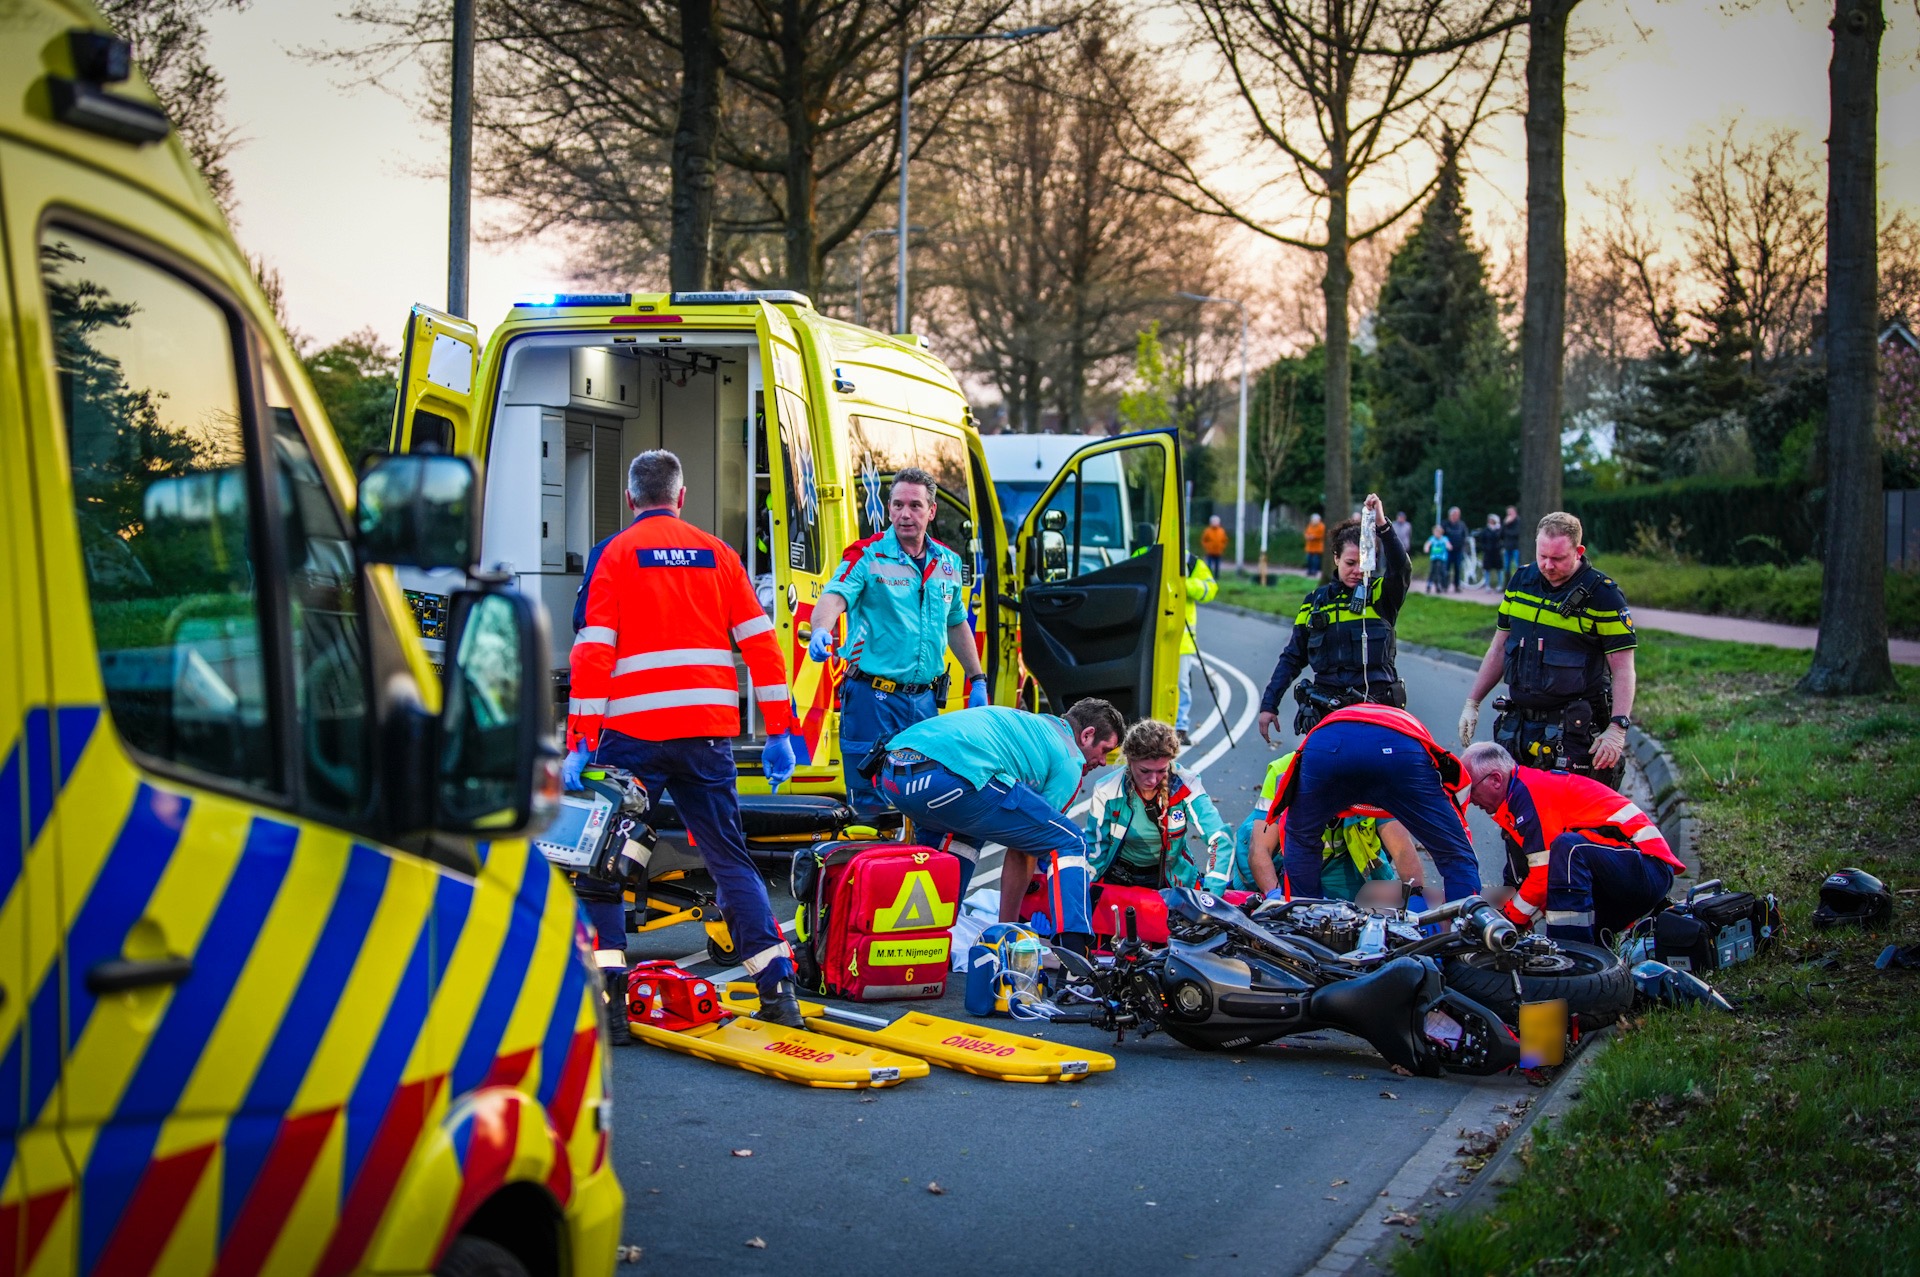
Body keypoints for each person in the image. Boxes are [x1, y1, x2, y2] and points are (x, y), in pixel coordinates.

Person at [565, 450, 812, 1028]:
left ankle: (613, 1006)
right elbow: (763, 648)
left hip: (632, 737)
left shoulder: (616, 554)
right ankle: (778, 993)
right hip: (706, 736)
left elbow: (593, 650)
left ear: (631, 500)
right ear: (681, 497)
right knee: (730, 861)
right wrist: (779, 734)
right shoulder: (718, 554)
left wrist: (580, 741)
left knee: (602, 864)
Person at [876, 699, 1125, 956]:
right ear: (1087, 735)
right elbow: (1027, 846)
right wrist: (1010, 931)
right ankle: (1071, 952)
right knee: (1070, 841)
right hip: (946, 779)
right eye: (1105, 750)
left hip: (895, 773)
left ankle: (922, 940)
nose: (1104, 762)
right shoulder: (1069, 759)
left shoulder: (1035, 724)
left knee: (964, 838)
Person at [807, 466, 987, 816]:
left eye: (916, 506)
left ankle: (915, 868)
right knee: (871, 809)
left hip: (923, 704)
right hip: (872, 701)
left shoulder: (947, 563)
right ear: (888, 509)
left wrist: (977, 678)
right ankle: (871, 865)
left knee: (923, 802)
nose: (906, 514)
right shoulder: (866, 555)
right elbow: (834, 597)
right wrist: (820, 629)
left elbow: (956, 623)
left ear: (931, 511)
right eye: (898, 505)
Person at [1457, 511, 1638, 789]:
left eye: (1558, 558)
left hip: (1573, 735)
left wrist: (1617, 728)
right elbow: (1499, 647)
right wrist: (1473, 702)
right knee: (1517, 821)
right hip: (1519, 730)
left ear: (1578, 551)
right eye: (1542, 555)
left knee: (1570, 828)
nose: (1547, 565)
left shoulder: (1604, 596)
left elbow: (1623, 668)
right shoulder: (1521, 581)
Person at [1461, 741, 1685, 944]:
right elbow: (1549, 882)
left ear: (1496, 780)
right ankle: (1589, 964)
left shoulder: (1530, 793)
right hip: (1628, 868)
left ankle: (1570, 956)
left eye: (1472, 790)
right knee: (1565, 865)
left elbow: (1543, 872)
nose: (1471, 800)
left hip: (1647, 865)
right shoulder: (1520, 798)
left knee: (1567, 849)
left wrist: (1509, 920)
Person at [1265, 703, 1482, 903]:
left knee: (1301, 840)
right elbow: (1411, 847)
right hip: (1399, 749)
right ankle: (1467, 927)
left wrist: (1293, 900)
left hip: (1327, 746)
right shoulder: (1423, 766)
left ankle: (1303, 920)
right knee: (1455, 856)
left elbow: (1292, 833)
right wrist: (1415, 900)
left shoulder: (1298, 762)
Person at [1257, 493, 1411, 744]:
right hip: (1328, 714)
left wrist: (1382, 525)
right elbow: (1292, 657)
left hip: (1377, 711)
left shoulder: (1382, 594)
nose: (1358, 570)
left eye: (1363, 563)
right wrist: (1269, 704)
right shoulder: (1314, 602)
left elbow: (1402, 568)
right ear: (1336, 558)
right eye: (1350, 562)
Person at [1238, 752, 1428, 905]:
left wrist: (1416, 900)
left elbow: (1402, 849)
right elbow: (1260, 850)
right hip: (1285, 865)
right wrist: (1273, 896)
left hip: (1342, 864)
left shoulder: (1372, 773)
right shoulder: (1283, 771)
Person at [1084, 719, 1234, 892]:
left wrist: (1212, 893)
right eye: (1145, 771)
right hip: (1120, 880)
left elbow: (1220, 838)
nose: (1153, 780)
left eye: (1162, 770)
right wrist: (1087, 890)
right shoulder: (1106, 790)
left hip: (1172, 880)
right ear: (1130, 761)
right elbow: (1095, 849)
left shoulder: (1187, 784)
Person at [1176, 553, 1219, 745]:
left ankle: (1179, 728)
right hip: (1150, 638)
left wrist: (1182, 583)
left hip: (1182, 640)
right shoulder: (1145, 553)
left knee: (1181, 685)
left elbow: (1210, 589)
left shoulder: (1191, 563)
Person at [1443, 506, 1470, 592]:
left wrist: (1464, 546)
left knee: (1458, 568)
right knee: (1446, 569)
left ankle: (1457, 586)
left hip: (1458, 550)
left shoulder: (1462, 525)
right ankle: (1445, 585)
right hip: (1447, 551)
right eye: (1455, 514)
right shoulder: (1445, 524)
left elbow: (1465, 536)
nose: (1457, 516)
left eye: (1458, 514)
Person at [1477, 514, 1505, 592]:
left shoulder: (1499, 529)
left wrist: (1500, 547)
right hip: (1488, 552)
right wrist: (1485, 547)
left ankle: (1500, 584)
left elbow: (1503, 538)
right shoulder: (1485, 530)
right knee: (1487, 569)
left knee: (1499, 569)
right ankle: (1487, 585)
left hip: (1497, 552)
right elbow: (1482, 540)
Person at [1422, 524, 1451, 594]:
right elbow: (1428, 544)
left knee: (1442, 572)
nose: (1437, 534)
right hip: (1434, 558)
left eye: (1438, 532)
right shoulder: (1432, 539)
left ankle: (1442, 585)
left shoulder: (1444, 539)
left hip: (1442, 559)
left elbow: (1448, 545)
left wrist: (1449, 546)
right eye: (1435, 532)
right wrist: (1426, 548)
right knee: (1432, 572)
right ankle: (1429, 585)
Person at [1501, 505, 1521, 582]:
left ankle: (1517, 582)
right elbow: (1501, 534)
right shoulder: (1506, 523)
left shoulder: (1518, 521)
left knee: (1517, 565)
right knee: (1506, 566)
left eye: (1510, 513)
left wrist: (1507, 530)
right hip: (1507, 547)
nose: (1509, 514)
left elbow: (1516, 533)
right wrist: (1505, 524)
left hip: (1516, 547)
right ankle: (1506, 583)